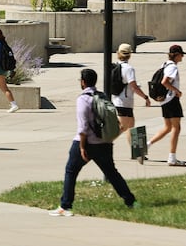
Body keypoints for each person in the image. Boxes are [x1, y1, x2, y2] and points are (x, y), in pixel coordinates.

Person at [49, 68, 137, 217]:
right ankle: (131, 202)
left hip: (86, 142)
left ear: (83, 82)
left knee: (71, 171)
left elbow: (83, 127)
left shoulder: (83, 99)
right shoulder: (102, 96)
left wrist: (82, 147)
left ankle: (66, 206)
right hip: (104, 142)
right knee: (112, 173)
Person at [146, 44, 186, 166]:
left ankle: (146, 146)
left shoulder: (164, 64)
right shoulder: (172, 67)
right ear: (177, 55)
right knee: (176, 128)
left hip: (165, 101)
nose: (182, 58)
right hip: (171, 99)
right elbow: (165, 82)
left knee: (168, 127)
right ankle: (172, 157)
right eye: (181, 55)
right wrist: (176, 91)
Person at [110, 43, 151, 142]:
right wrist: (145, 97)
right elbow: (134, 86)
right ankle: (102, 145)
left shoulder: (115, 67)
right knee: (123, 128)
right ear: (129, 55)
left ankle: (137, 153)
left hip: (117, 100)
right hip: (124, 102)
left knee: (130, 127)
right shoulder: (128, 69)